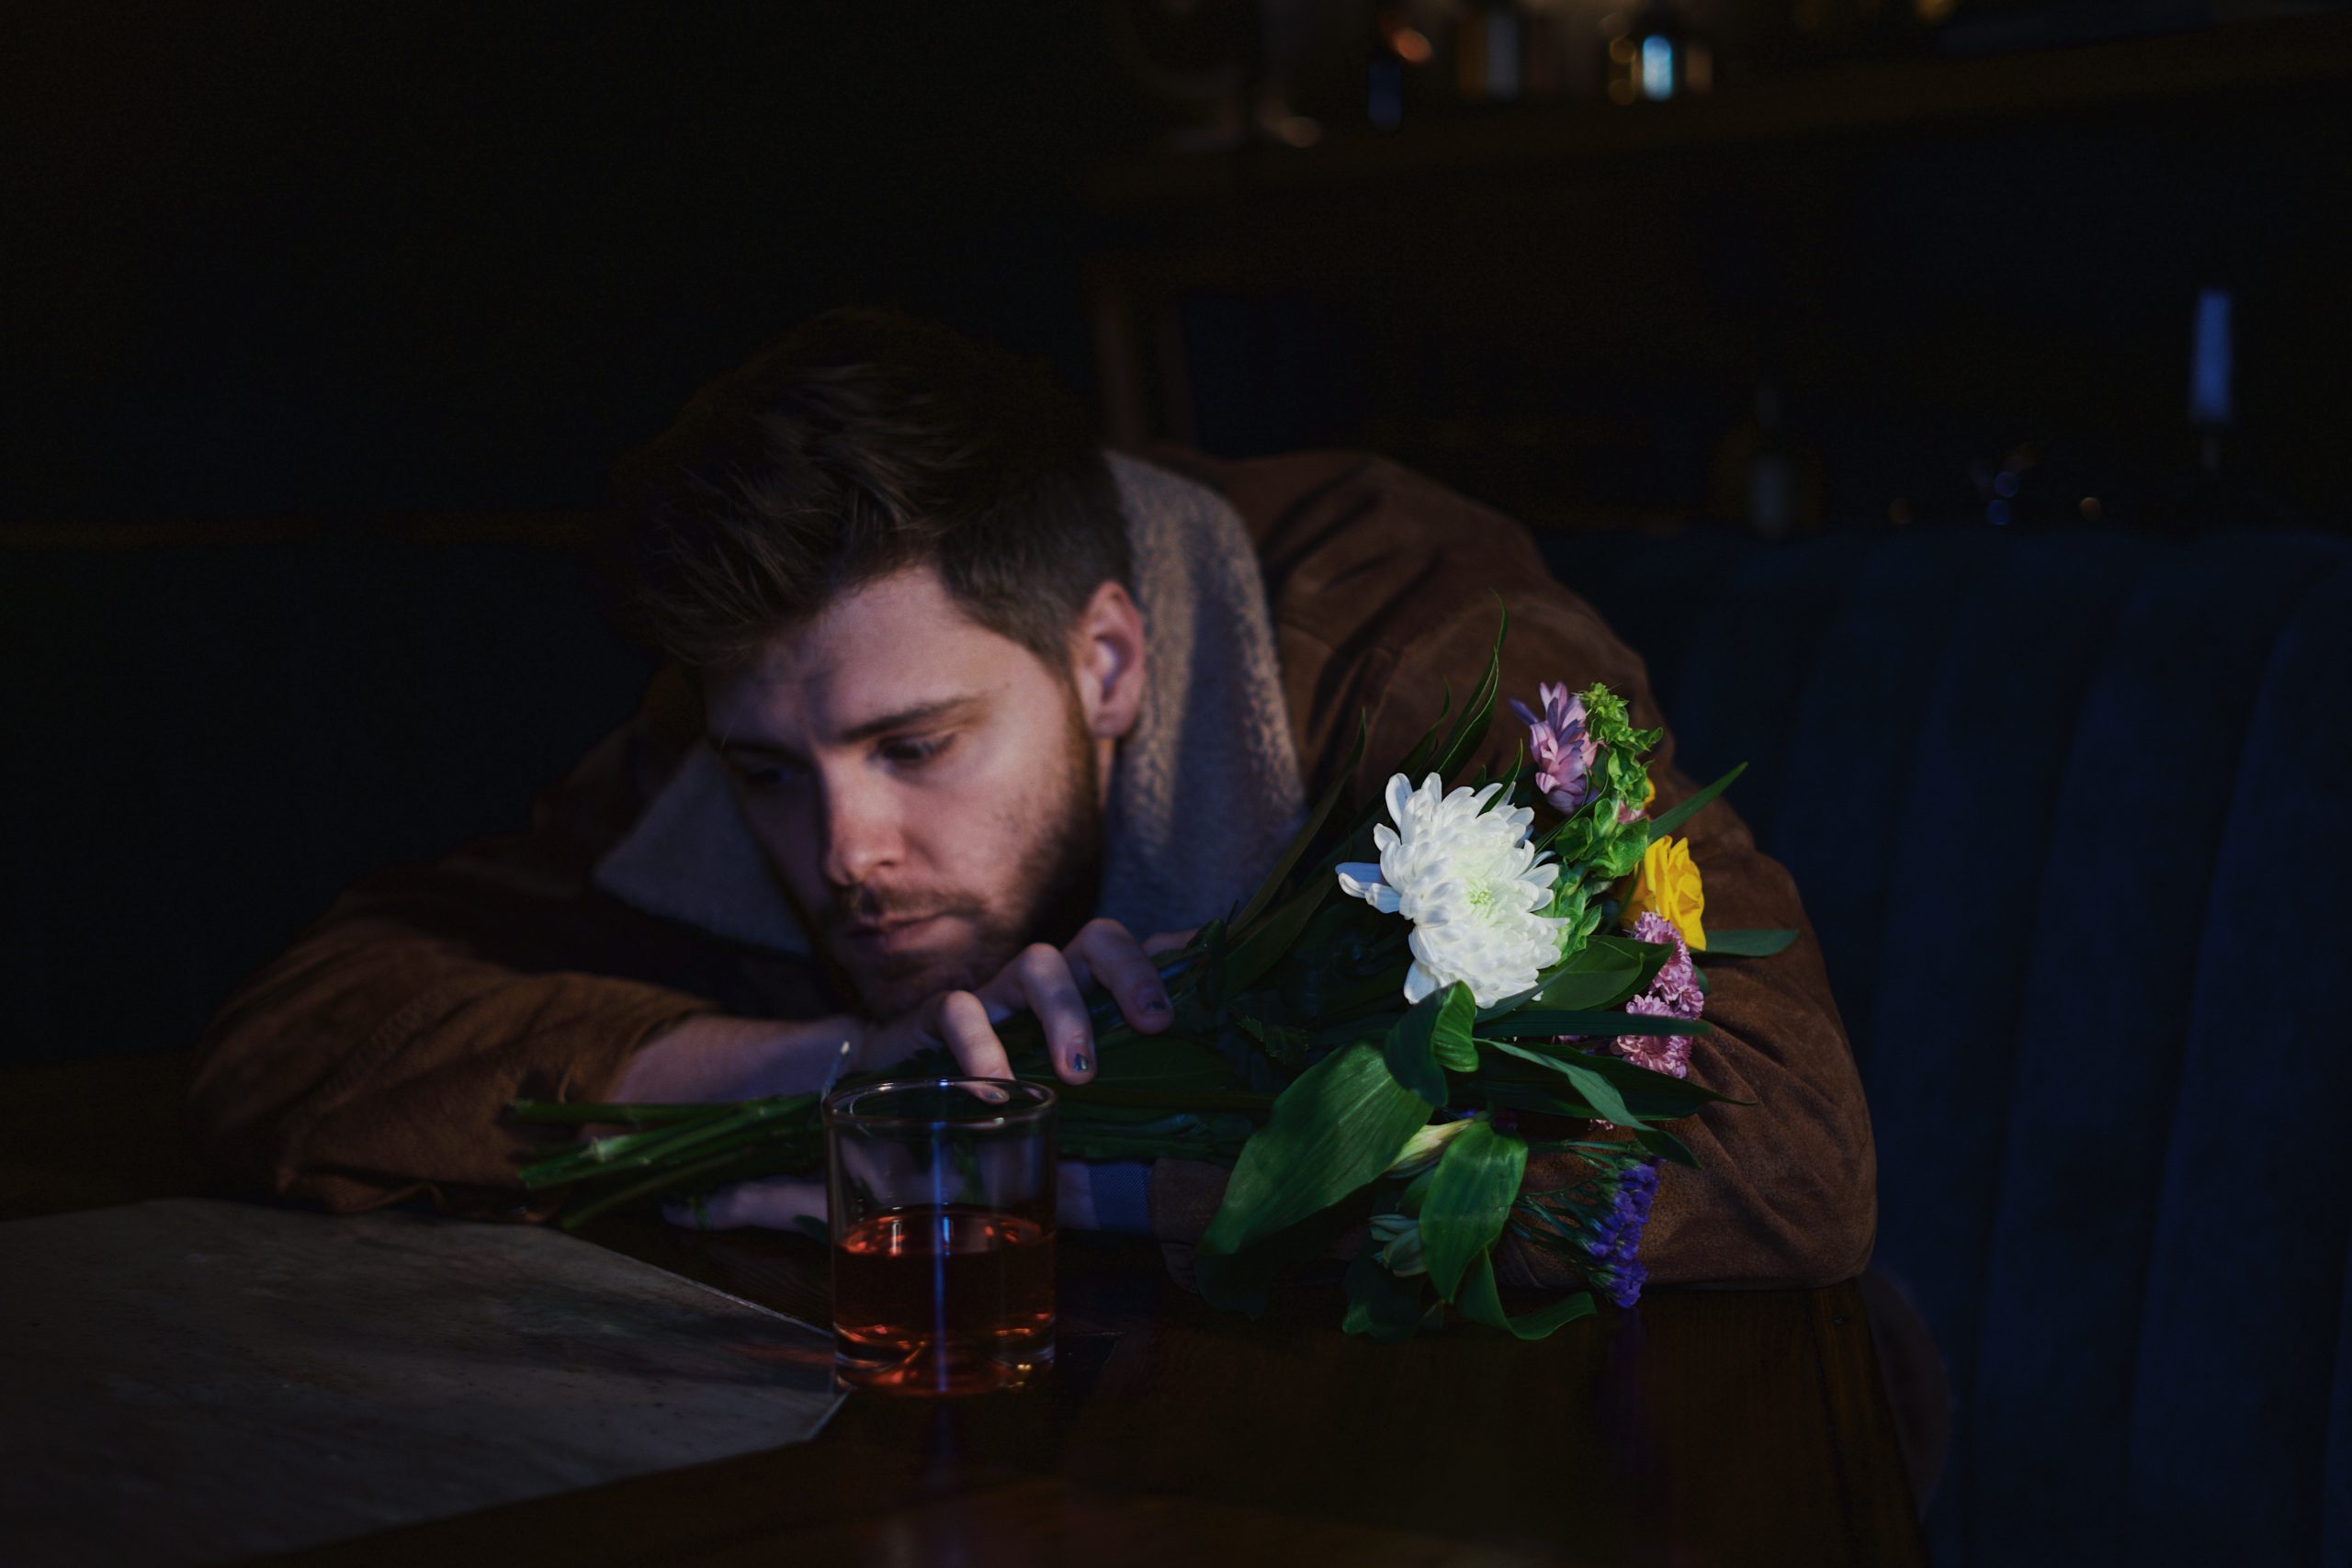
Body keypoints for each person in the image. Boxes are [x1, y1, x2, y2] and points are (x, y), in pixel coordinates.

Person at [187, 305, 1876, 1292]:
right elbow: (293, 1036)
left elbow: (1785, 1152)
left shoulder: (1410, 629)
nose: (842, 855)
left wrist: (1045, 1159)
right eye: (773, 775)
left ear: (1111, 662)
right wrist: (828, 1076)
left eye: (918, 749)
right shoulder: (764, 701)